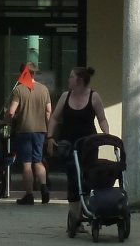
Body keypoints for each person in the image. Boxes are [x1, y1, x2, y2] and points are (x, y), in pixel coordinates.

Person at [51, 66, 109, 221]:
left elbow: (102, 119)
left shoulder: (94, 97)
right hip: (69, 144)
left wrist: (107, 135)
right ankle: (75, 216)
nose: (68, 79)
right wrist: (50, 137)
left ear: (80, 80)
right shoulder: (65, 96)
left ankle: (86, 210)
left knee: (87, 177)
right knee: (73, 178)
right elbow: (54, 118)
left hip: (89, 144)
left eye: (71, 76)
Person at [7, 62, 53, 205]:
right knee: (38, 161)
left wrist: (9, 120)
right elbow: (48, 111)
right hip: (40, 131)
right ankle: (44, 188)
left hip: (24, 131)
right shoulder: (44, 89)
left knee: (27, 164)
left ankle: (29, 195)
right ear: (34, 73)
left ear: (23, 73)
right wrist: (48, 129)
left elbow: (11, 112)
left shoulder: (19, 90)